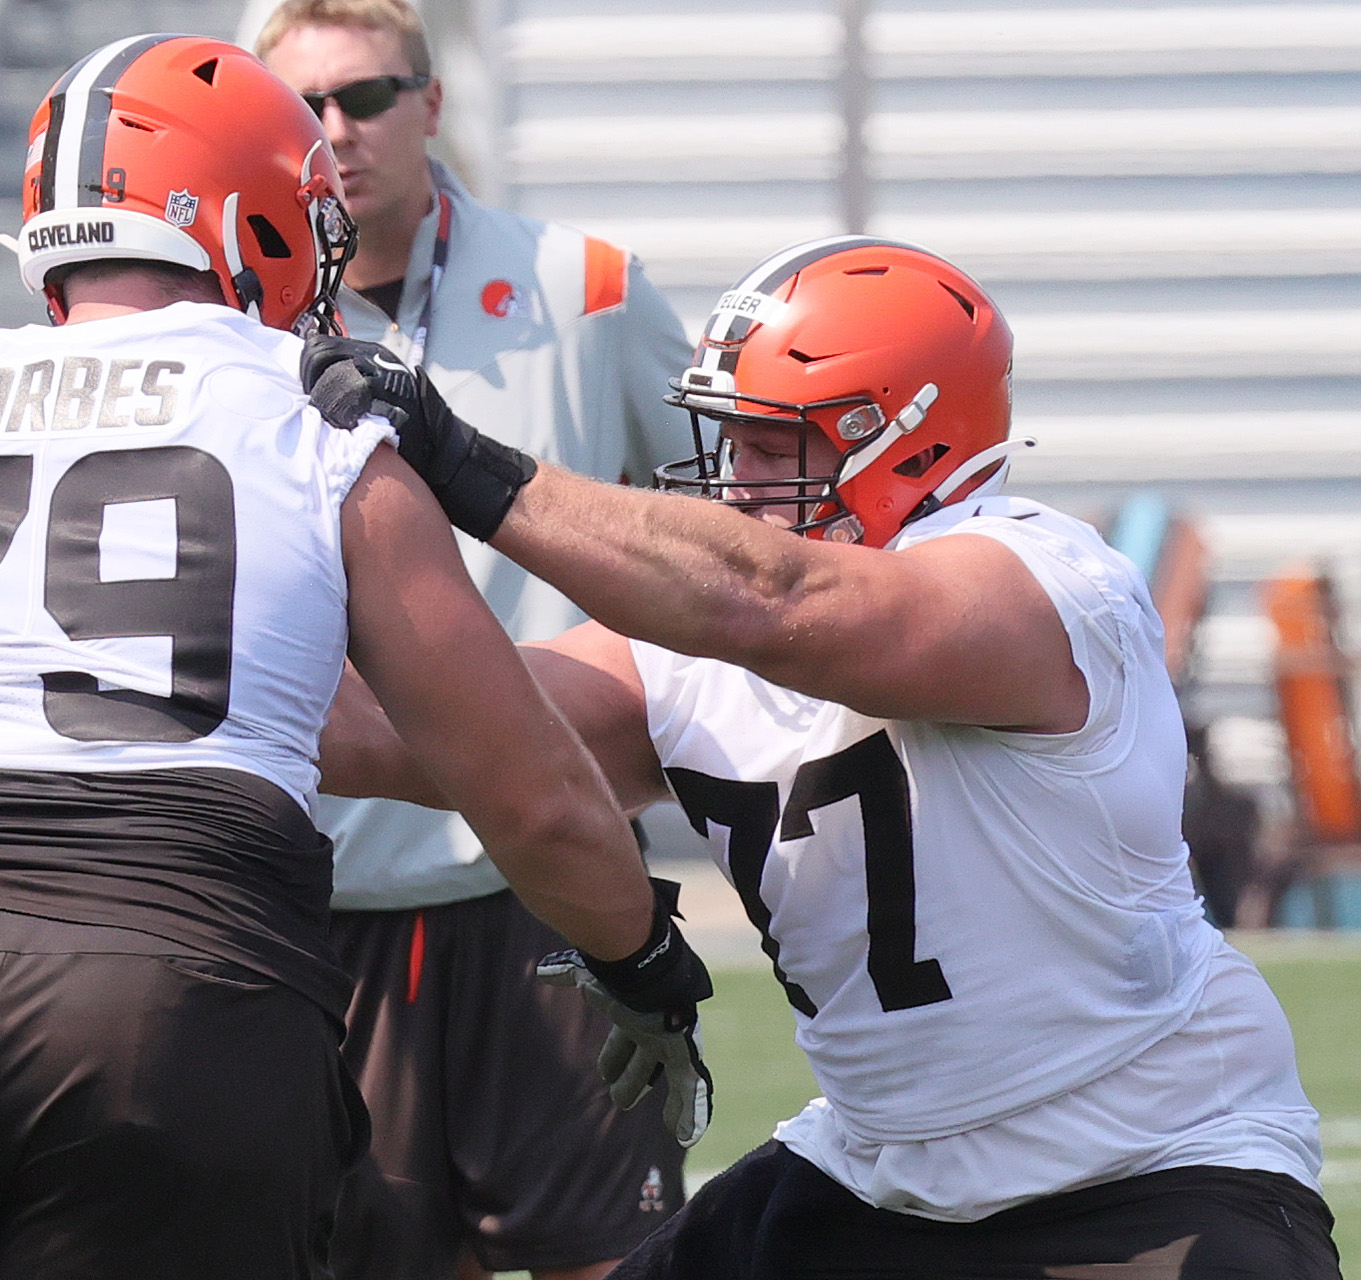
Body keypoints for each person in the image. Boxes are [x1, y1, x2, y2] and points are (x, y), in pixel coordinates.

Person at [0, 35, 711, 1280]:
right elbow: (533, 789)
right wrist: (639, 957)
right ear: (251, 214)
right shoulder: (316, 415)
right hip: (176, 992)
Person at [308, 234, 1342, 1279]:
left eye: (768, 444)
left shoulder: (1045, 579)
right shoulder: (695, 643)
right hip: (880, 1169)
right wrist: (185, 633)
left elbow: (776, 602)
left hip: (1140, 1165)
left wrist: (463, 462)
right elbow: (410, 728)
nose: (733, 477)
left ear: (904, 441)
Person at [254, 5, 696, 1276]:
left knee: (614, 1257)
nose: (336, 133)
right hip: (318, 892)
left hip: (541, 879)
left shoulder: (587, 285)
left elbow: (703, 537)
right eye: (307, 109)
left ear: (432, 105)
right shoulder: (234, 314)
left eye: (367, 97)